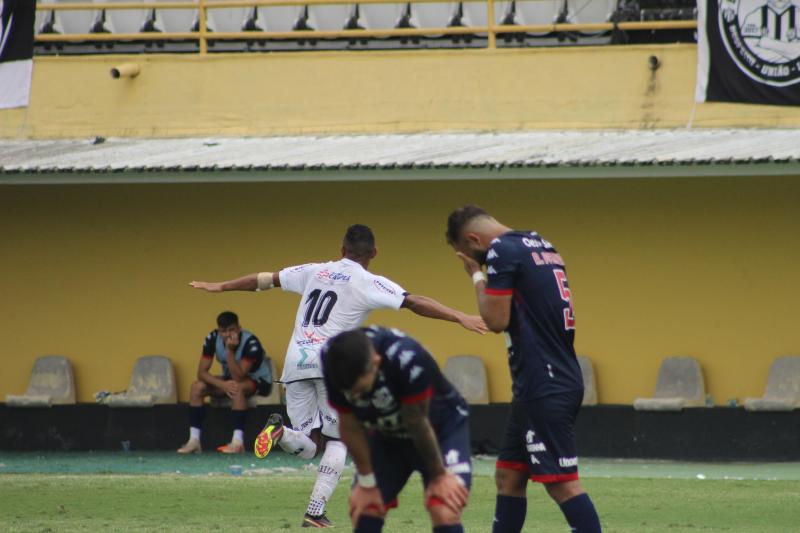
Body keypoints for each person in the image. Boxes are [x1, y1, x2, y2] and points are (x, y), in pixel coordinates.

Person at [190, 224, 485, 528]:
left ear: (341, 250)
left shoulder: (316, 270)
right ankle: (315, 510)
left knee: (308, 444)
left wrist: (222, 286)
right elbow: (412, 302)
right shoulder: (368, 281)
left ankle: (283, 433)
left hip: (295, 362)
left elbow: (265, 280)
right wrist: (460, 316)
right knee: (339, 442)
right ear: (374, 253)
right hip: (333, 364)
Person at [445, 205, 602, 533]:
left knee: (562, 483)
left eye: (469, 252)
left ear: (474, 238)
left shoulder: (501, 249)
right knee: (509, 476)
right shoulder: (540, 243)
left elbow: (496, 321)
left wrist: (475, 274)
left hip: (543, 381)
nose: (479, 260)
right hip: (549, 377)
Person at [322, 326, 471, 533]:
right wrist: (366, 483)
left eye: (362, 391)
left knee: (443, 507)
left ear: (376, 362)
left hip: (439, 429)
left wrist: (439, 476)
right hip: (386, 436)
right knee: (366, 509)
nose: (357, 399)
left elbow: (417, 423)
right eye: (350, 394)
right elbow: (349, 424)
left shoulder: (407, 357)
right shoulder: (332, 358)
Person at [177, 311, 273, 454]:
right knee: (197, 387)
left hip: (259, 381)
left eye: (231, 330)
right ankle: (194, 441)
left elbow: (239, 377)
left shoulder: (251, 342)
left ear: (239, 328)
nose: (228, 335)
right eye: (223, 331)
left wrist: (229, 350)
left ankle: (238, 442)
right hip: (230, 379)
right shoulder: (212, 338)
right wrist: (221, 384)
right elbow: (201, 372)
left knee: (237, 387)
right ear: (218, 331)